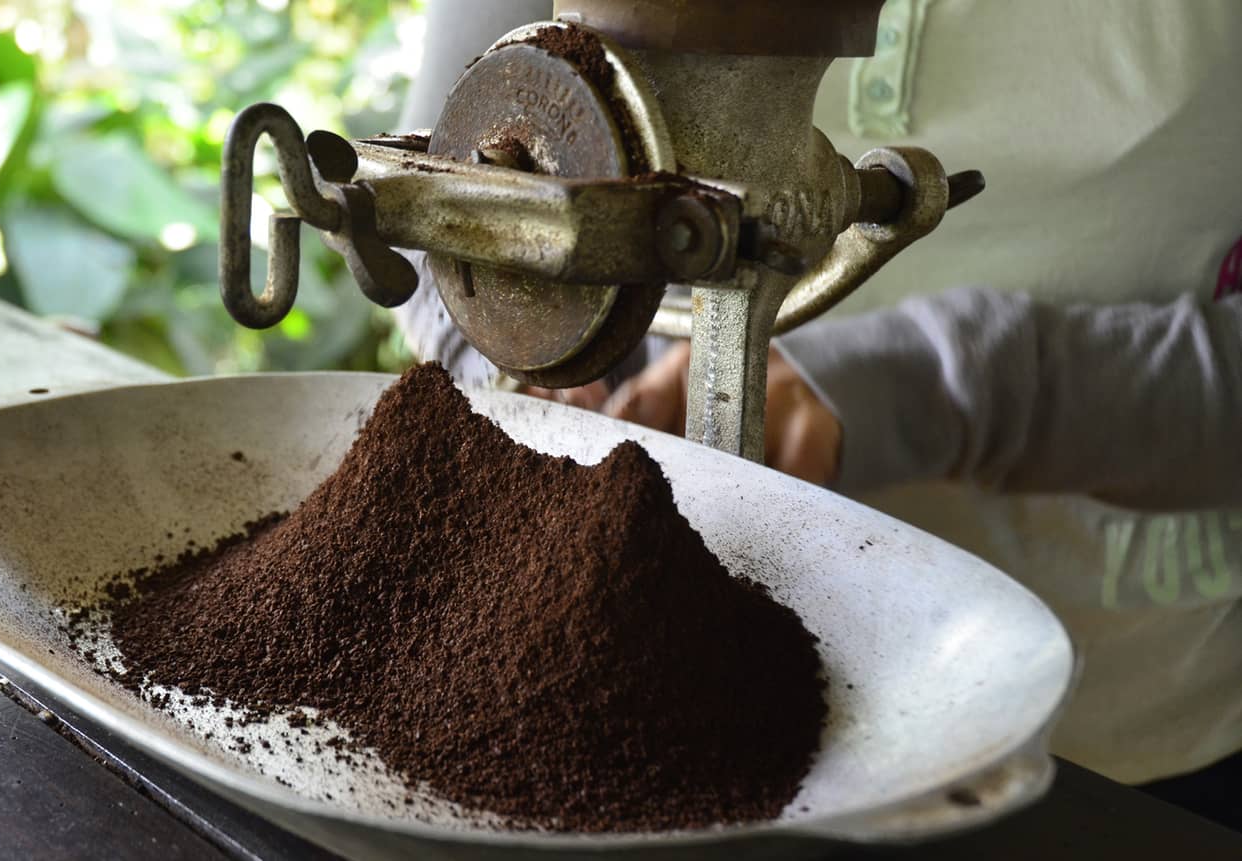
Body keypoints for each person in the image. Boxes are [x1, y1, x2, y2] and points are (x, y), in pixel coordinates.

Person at [395, 0, 1242, 830]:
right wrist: (536, 373)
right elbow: (443, 182)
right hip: (617, 690)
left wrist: (925, 387)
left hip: (1119, 738)